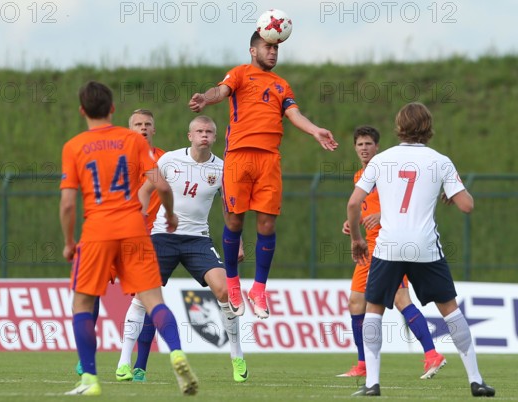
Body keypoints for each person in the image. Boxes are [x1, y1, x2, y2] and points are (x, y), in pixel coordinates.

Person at [346, 102, 495, 397]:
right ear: (428, 128)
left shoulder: (381, 160)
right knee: (450, 311)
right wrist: (451, 193)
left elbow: (353, 203)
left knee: (373, 310)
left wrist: (357, 240)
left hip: (387, 247)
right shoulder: (440, 161)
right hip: (424, 247)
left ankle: (372, 383)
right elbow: (467, 205)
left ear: (399, 127)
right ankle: (476, 381)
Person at [60, 81, 198, 396]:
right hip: (135, 228)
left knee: (83, 301)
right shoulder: (132, 141)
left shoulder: (74, 146)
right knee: (153, 300)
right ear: (112, 109)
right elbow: (162, 187)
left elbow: (68, 203)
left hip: (96, 232)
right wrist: (172, 215)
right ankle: (176, 353)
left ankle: (89, 379)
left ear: (82, 111)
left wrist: (69, 242)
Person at [188, 31, 339, 319]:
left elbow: (294, 114)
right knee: (234, 219)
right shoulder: (240, 74)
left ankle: (259, 288)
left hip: (269, 159)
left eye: (276, 48)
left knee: (267, 224)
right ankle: (232, 282)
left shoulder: (282, 85)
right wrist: (206, 100)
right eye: (268, 47)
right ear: (253, 51)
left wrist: (315, 130)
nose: (273, 52)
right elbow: (221, 91)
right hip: (239, 157)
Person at [115, 115, 248, 383]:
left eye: (209, 131)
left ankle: (237, 356)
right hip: (163, 236)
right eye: (199, 130)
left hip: (198, 240)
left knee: (225, 290)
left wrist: (239, 240)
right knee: (142, 296)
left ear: (215, 137)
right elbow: (144, 191)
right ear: (190, 135)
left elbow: (229, 208)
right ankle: (123, 363)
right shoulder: (169, 160)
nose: (204, 135)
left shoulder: (222, 169)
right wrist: (137, 222)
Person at [339, 126, 446, 379]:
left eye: (368, 143)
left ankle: (432, 354)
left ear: (377, 147)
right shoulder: (359, 177)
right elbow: (360, 208)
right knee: (356, 302)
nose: (364, 148)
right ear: (355, 148)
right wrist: (352, 224)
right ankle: (362, 364)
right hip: (368, 250)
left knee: (401, 300)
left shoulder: (389, 173)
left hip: (390, 249)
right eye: (360, 144)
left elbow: (407, 205)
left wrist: (382, 216)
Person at [74, 108, 165, 378]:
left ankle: (140, 365)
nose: (143, 128)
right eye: (137, 124)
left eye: (148, 123)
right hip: (114, 232)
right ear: (129, 129)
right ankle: (87, 353)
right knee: (91, 290)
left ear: (154, 129)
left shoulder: (166, 160)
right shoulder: (117, 158)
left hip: (148, 239)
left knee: (146, 299)